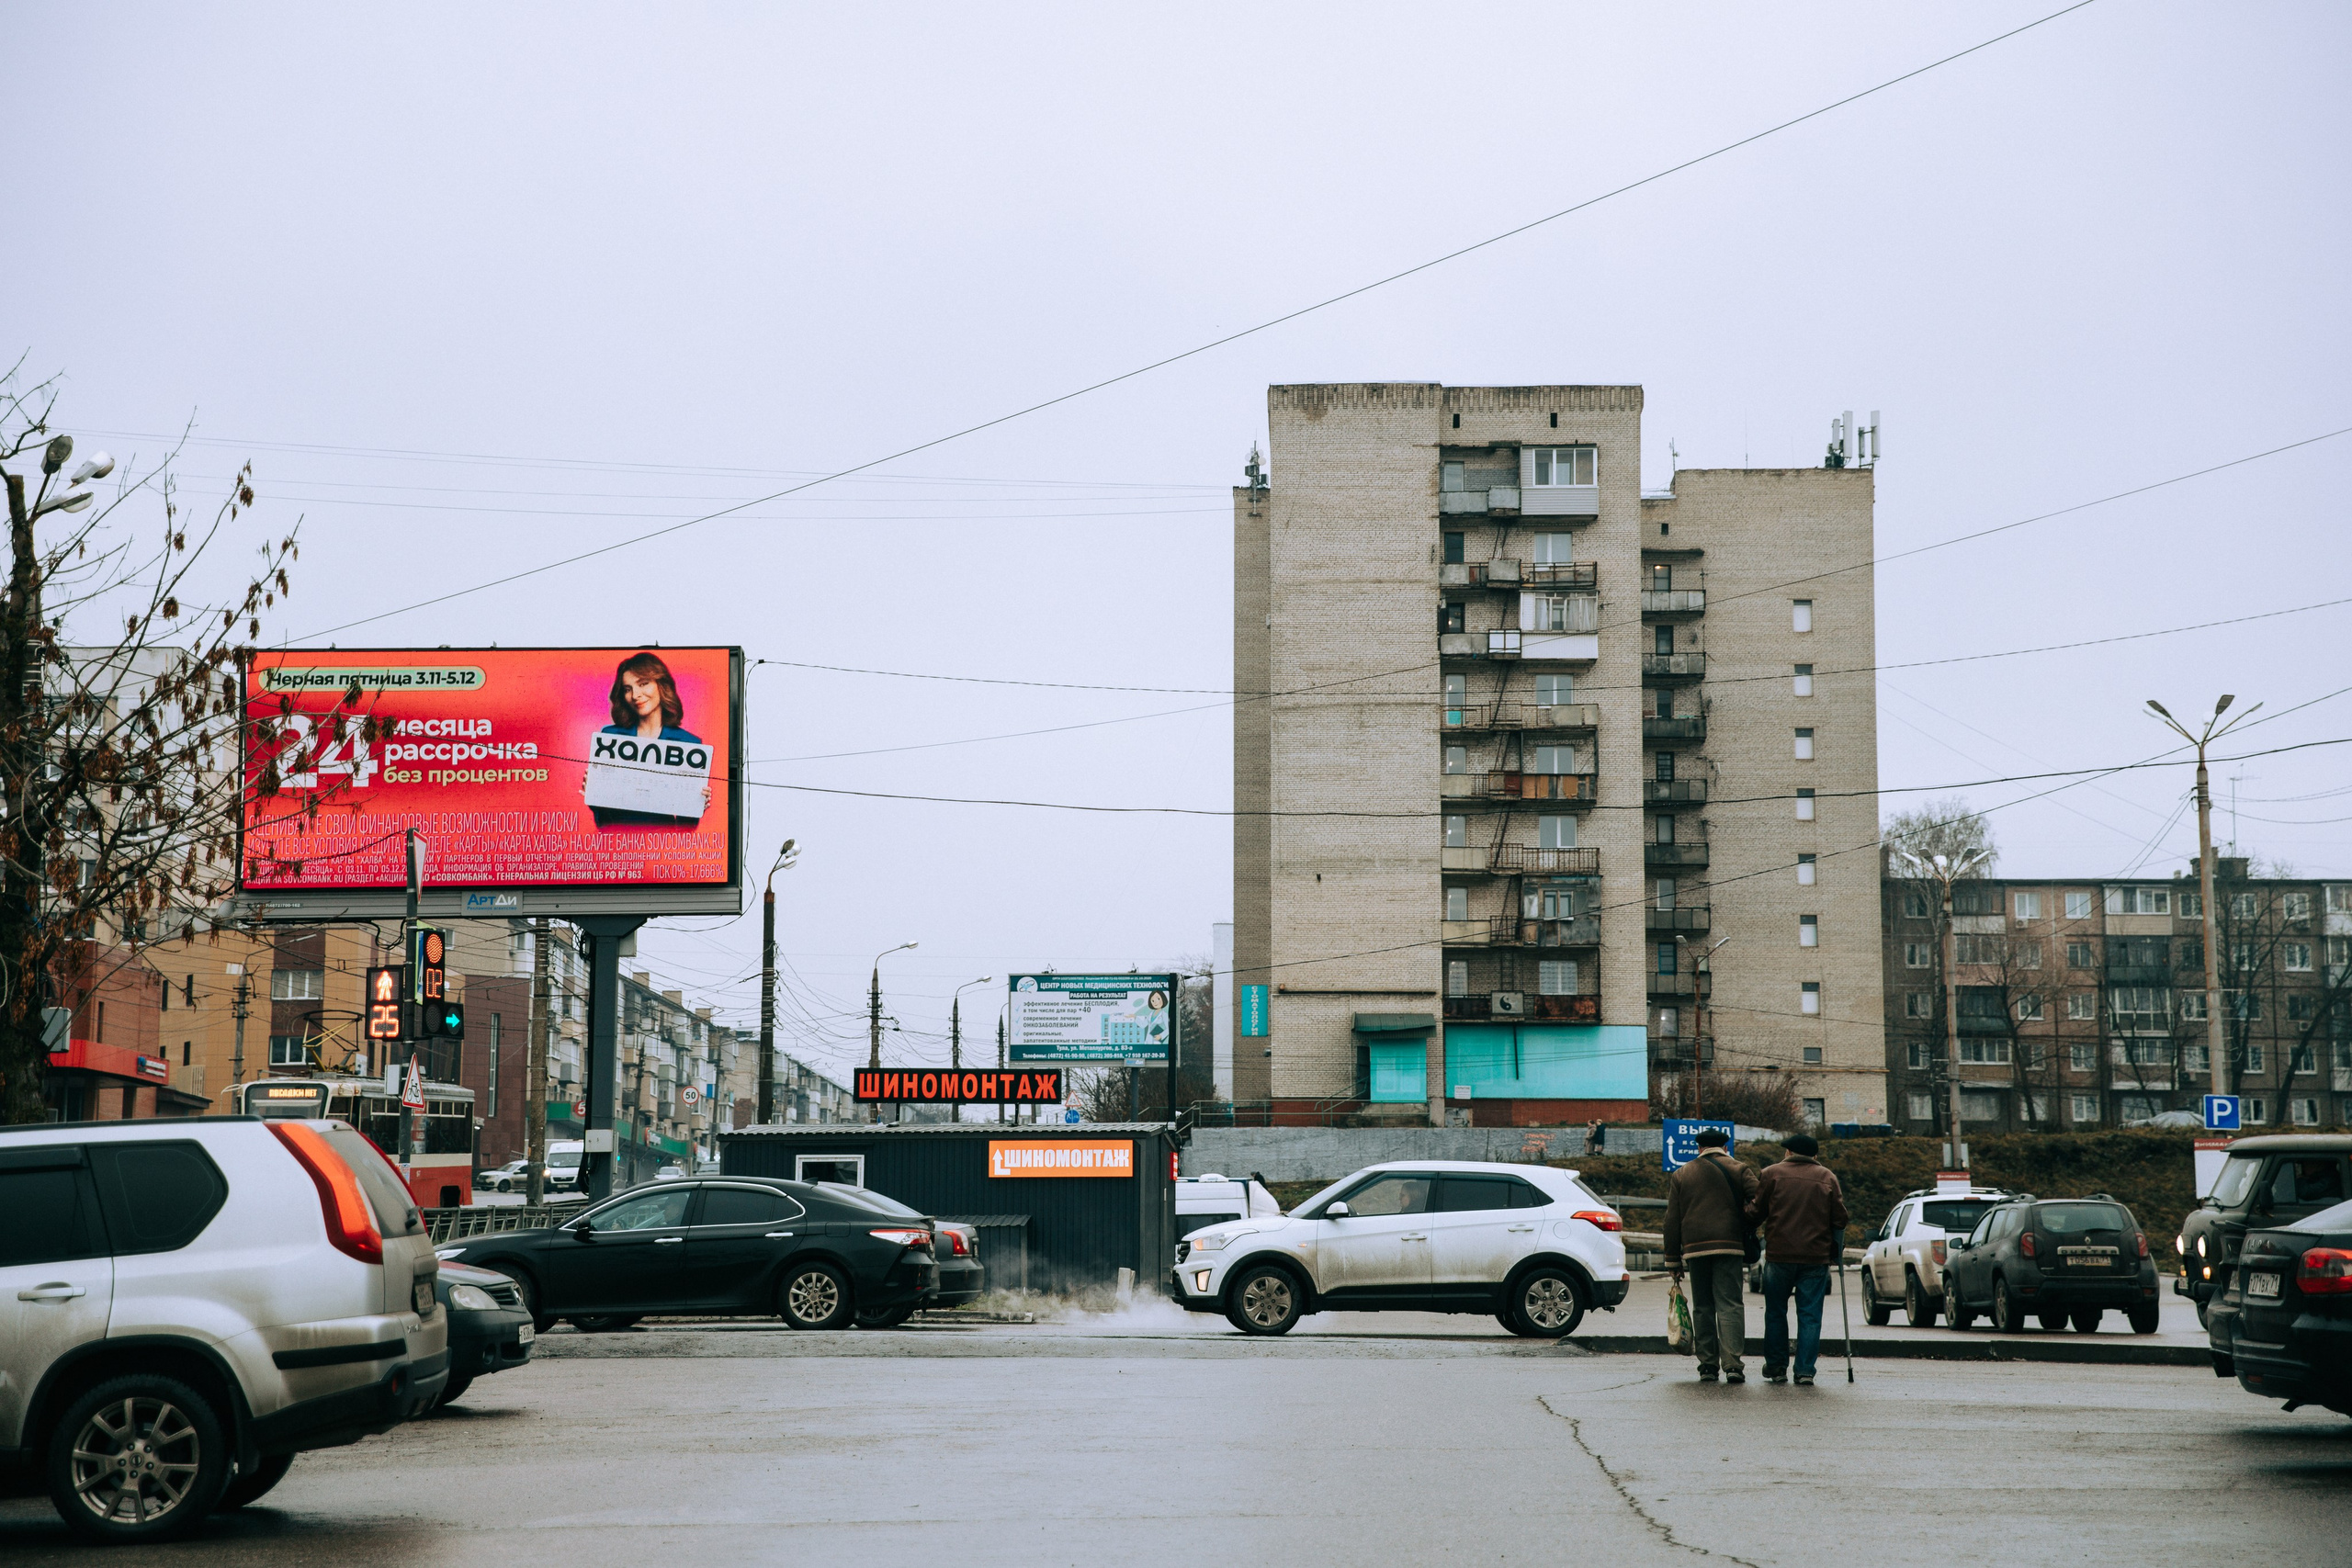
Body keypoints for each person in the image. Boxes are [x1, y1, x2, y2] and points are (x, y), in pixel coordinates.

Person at [1747, 1133, 1850, 1386]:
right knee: (1810, 1315)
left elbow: (1756, 1212)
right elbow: (1840, 1219)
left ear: (1789, 1152)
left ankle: (1776, 1367)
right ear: (1815, 1155)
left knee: (1775, 1312)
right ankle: (1804, 1371)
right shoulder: (1827, 1177)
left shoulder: (1771, 1174)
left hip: (1779, 1255)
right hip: (1815, 1257)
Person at [1662, 1126, 1759, 1383]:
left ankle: (1707, 1365)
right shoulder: (1740, 1169)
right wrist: (1747, 1221)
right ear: (1725, 1147)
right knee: (1730, 1305)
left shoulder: (1682, 1173)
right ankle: (1733, 1365)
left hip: (1695, 1249)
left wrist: (1673, 1259)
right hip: (1730, 1246)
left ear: (1699, 1148)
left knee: (1703, 1306)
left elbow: (1671, 1220)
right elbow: (1761, 1201)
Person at [586, 650, 711, 828]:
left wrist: (695, 806)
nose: (635, 695)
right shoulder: (610, 738)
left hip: (662, 842)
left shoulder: (689, 744)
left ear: (661, 685)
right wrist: (594, 795)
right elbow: (604, 822)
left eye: (643, 684)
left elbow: (685, 829)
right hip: (618, 840)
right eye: (628, 689)